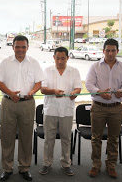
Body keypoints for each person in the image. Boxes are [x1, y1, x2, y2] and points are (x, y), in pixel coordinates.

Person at [0, 35, 45, 181]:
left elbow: (38, 83)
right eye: (17, 47)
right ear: (13, 47)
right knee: (7, 136)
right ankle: (7, 168)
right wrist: (10, 93)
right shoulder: (6, 62)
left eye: (23, 47)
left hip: (27, 103)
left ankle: (24, 167)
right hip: (9, 103)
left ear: (27, 47)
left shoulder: (34, 63)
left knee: (26, 136)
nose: (20, 50)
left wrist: (32, 92)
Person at [85, 38, 122, 178]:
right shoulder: (95, 66)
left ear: (117, 51)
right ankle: (96, 165)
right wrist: (100, 92)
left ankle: (111, 166)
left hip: (116, 108)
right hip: (98, 107)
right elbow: (89, 84)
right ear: (103, 51)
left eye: (113, 50)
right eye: (108, 50)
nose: (110, 53)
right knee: (96, 137)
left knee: (114, 138)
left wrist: (121, 91)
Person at [39, 47, 82, 176]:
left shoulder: (74, 71)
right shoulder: (47, 70)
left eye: (63, 58)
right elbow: (42, 89)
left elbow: (78, 87)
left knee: (66, 138)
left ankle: (66, 163)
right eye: (57, 58)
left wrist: (75, 93)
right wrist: (53, 92)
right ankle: (47, 163)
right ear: (54, 58)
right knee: (49, 139)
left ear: (67, 58)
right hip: (50, 109)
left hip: (67, 109)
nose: (60, 61)